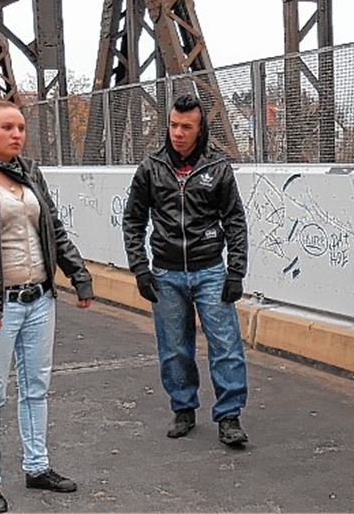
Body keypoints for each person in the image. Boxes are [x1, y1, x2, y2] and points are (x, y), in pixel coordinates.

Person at [0, 97, 95, 513]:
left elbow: (54, 229)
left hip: (40, 298)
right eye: (7, 127)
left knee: (36, 387)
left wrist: (78, 275)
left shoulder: (30, 174)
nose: (17, 135)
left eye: (22, 128)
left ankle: (37, 466)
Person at [122, 94, 251, 447]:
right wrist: (140, 269)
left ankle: (229, 417)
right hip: (165, 274)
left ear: (199, 129)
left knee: (225, 345)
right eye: (174, 125)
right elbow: (133, 219)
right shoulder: (151, 168)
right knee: (175, 348)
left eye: (186, 127)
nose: (178, 133)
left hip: (210, 270)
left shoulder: (217, 168)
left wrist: (235, 271)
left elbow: (235, 221)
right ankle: (183, 408)